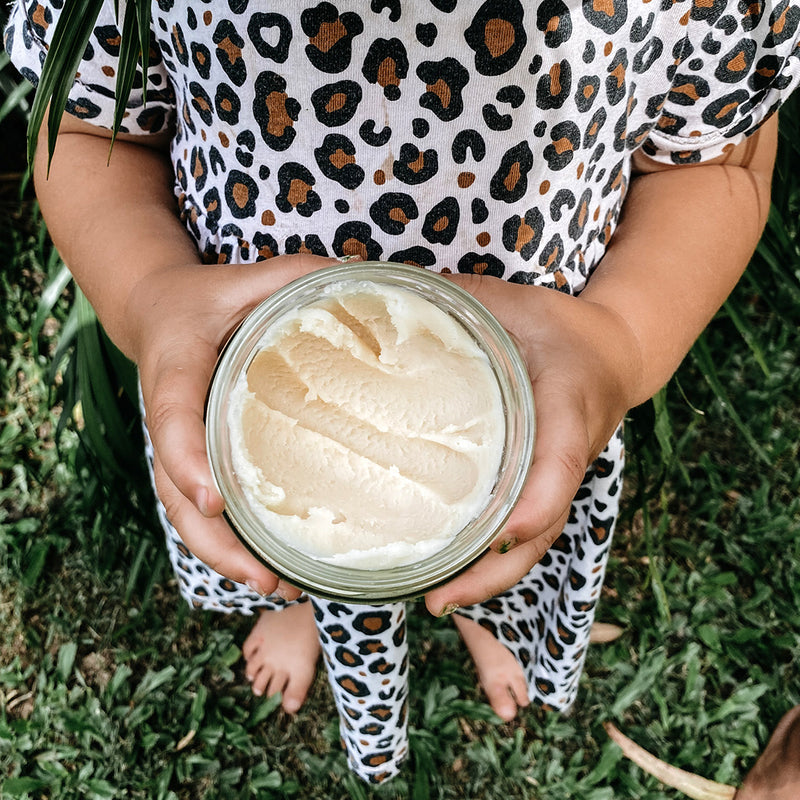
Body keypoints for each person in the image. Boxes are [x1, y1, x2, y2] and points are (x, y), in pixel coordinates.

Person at [6, 0, 799, 785]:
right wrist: (151, 295)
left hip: (530, 389)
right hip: (250, 377)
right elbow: (85, 127)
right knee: (273, 525)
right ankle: (292, 599)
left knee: (502, 533)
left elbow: (714, 162)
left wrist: (620, 344)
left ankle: (479, 611)